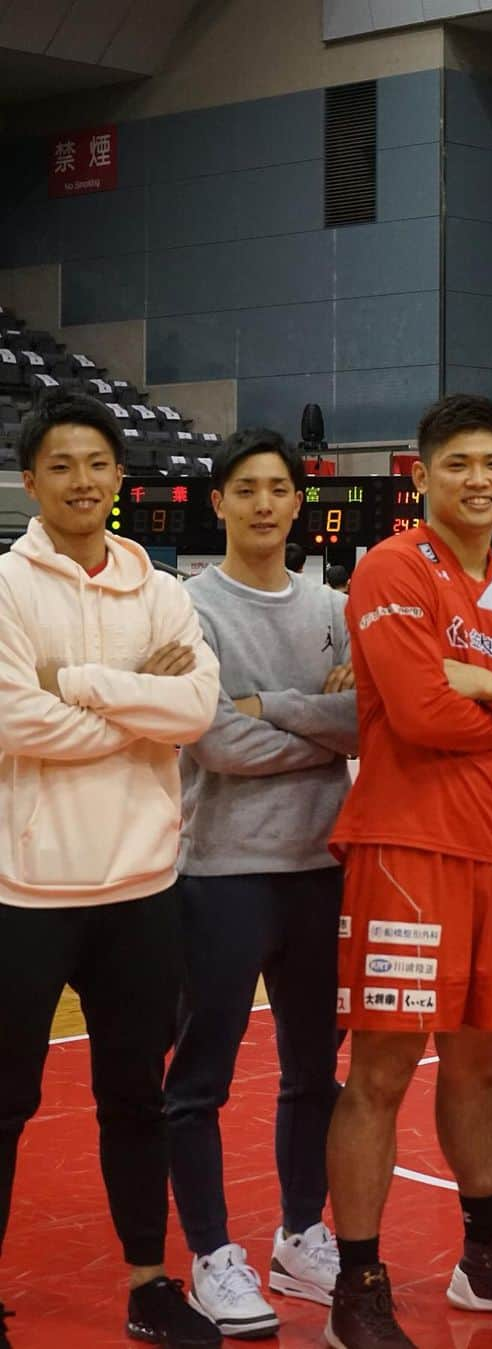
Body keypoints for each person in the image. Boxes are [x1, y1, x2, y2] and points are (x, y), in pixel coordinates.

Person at [324, 393, 492, 1349]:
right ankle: (356, 1285)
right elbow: (418, 714)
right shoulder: (393, 567)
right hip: (404, 850)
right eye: (459, 464)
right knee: (383, 1071)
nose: (479, 479)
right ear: (421, 474)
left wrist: (487, 684)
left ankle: (486, 1256)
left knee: (483, 1067)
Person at [0, 392, 221, 1347]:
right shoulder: (7, 587)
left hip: (142, 887)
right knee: (5, 1102)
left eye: (96, 463)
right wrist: (141, 704)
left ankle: (148, 1283)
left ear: (118, 478)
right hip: (27, 889)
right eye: (61, 465)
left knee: (135, 1096)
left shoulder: (163, 588)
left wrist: (77, 684)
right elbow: (12, 717)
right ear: (30, 480)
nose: (82, 480)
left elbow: (198, 709)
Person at [165, 429, 357, 1339]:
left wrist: (271, 705)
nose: (266, 504)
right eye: (247, 488)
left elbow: (366, 721)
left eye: (279, 488)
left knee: (313, 1073)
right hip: (222, 874)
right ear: (221, 501)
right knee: (201, 1078)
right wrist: (314, 722)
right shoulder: (188, 608)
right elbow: (214, 741)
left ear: (296, 500)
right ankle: (209, 1254)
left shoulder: (335, 606)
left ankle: (301, 1232)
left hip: (321, 871)